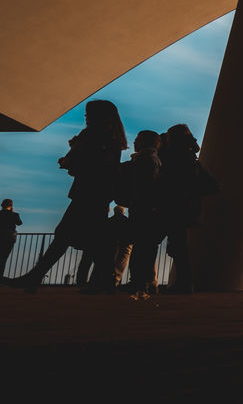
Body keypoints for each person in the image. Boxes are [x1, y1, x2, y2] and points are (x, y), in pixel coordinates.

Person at [6, 99, 127, 293]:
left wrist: (68, 161)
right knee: (89, 238)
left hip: (86, 193)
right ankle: (105, 280)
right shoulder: (113, 140)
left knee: (67, 236)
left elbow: (83, 163)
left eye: (88, 113)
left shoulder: (92, 135)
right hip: (100, 194)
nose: (85, 116)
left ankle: (35, 277)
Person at [158, 124, 218, 293]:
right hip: (185, 208)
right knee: (179, 246)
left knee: (174, 246)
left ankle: (183, 283)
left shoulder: (178, 159)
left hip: (175, 207)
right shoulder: (191, 159)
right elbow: (212, 186)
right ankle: (184, 283)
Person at [118, 130, 164, 299]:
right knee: (146, 247)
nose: (135, 141)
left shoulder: (144, 160)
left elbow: (143, 185)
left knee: (140, 246)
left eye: (137, 139)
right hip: (149, 209)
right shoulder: (154, 160)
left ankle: (138, 282)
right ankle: (144, 282)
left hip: (142, 208)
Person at [0, 199, 21, 277]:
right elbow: (19, 223)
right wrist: (12, 212)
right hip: (9, 238)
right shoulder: (14, 214)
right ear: (11, 206)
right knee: (3, 258)